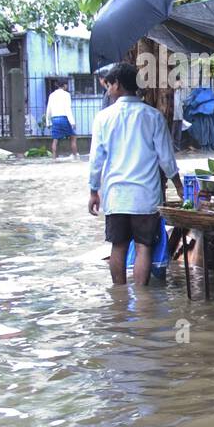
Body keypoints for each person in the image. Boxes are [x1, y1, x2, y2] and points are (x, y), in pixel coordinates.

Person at [88, 62, 185, 286]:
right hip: (145, 196)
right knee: (144, 247)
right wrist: (178, 186)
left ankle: (119, 299)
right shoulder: (153, 117)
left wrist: (94, 191)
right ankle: (143, 300)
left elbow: (96, 160)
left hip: (116, 195)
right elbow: (166, 159)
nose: (108, 90)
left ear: (118, 85)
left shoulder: (103, 118)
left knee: (118, 246)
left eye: (109, 85)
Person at [45, 81, 79, 159]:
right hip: (64, 118)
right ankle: (75, 156)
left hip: (55, 119)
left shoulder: (52, 95)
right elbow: (68, 109)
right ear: (64, 85)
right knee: (73, 137)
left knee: (55, 139)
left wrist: (48, 122)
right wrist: (72, 122)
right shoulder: (67, 95)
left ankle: (54, 158)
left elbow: (48, 109)